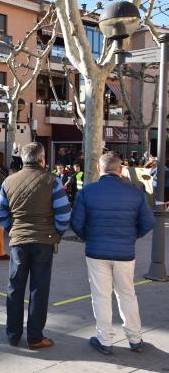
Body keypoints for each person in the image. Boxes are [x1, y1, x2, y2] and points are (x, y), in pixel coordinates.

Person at [70, 152, 155, 355]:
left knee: (101, 296)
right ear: (120, 169)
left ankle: (105, 340)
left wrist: (88, 237)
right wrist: (131, 236)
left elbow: (76, 223)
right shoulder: (134, 192)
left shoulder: (88, 192)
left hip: (96, 251)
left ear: (100, 169)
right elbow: (149, 222)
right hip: (125, 252)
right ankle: (135, 339)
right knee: (127, 295)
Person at [0, 142, 71, 350]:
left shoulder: (9, 181)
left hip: (19, 241)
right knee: (39, 288)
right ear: (42, 159)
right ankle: (35, 337)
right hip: (44, 241)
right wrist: (56, 233)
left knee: (15, 287)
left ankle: (13, 334)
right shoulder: (51, 181)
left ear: (23, 159)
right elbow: (64, 214)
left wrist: (13, 229)